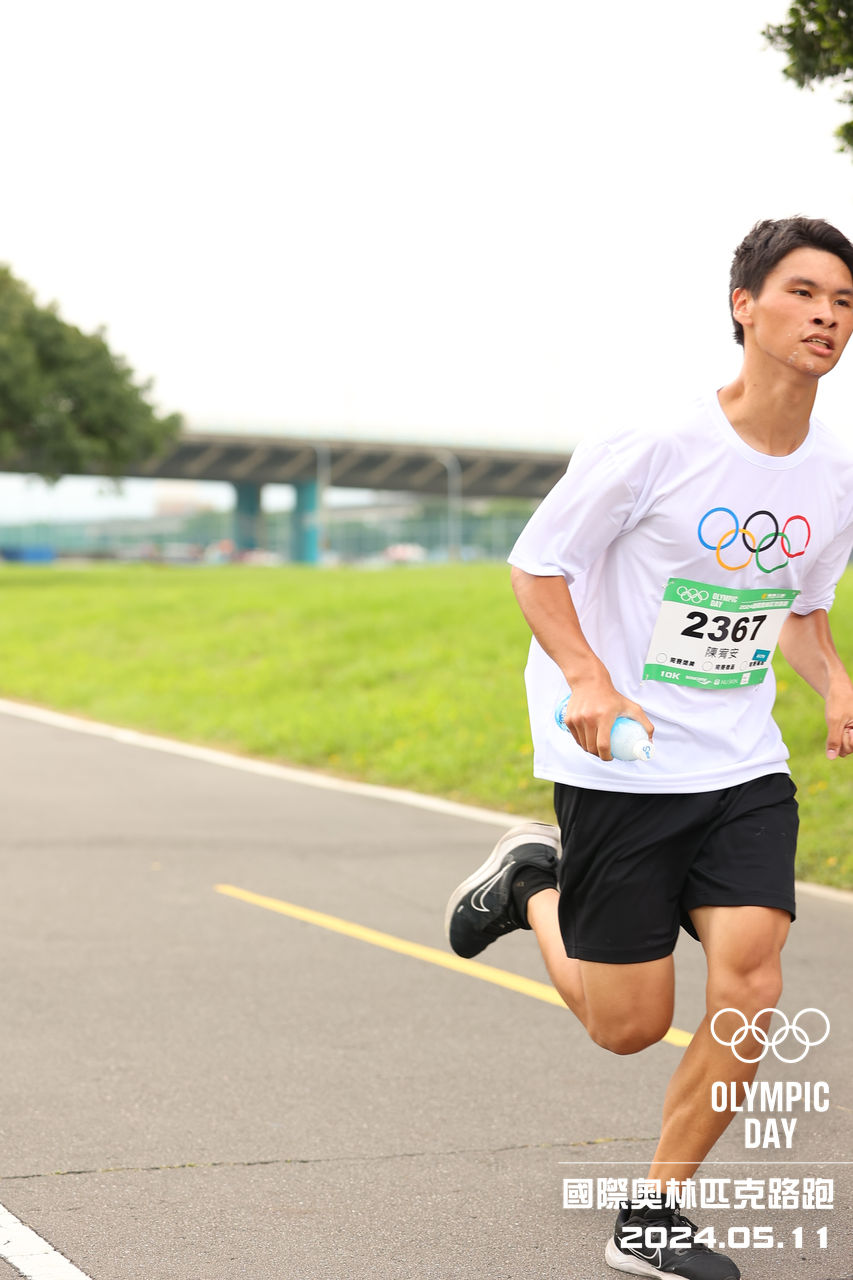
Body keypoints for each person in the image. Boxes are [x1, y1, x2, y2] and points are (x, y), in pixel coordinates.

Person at [445, 216, 853, 1280]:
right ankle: (531, 884)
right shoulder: (656, 440)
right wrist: (587, 677)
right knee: (625, 1025)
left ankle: (655, 1212)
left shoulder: (834, 473)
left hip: (741, 762)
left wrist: (835, 683)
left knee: (751, 987)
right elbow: (538, 564)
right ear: (743, 306)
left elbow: (797, 608)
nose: (825, 316)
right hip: (623, 759)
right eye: (803, 292)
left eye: (843, 302)